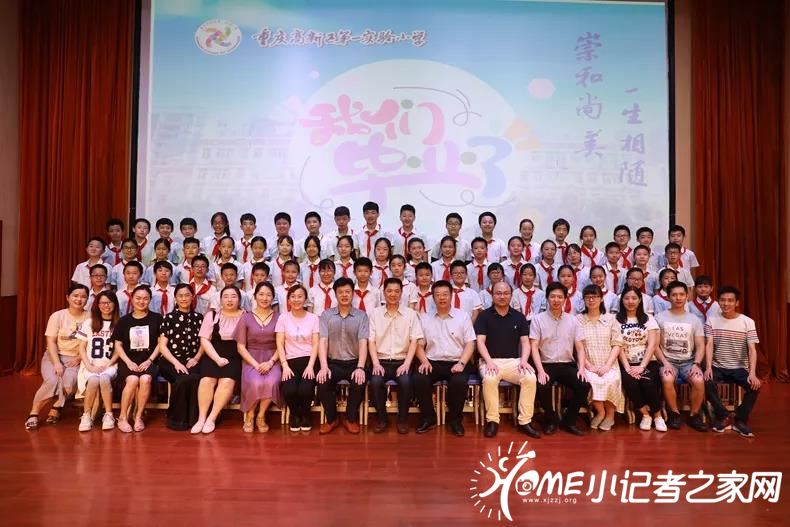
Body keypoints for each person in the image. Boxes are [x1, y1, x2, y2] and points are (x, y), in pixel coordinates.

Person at [475, 281, 541, 439]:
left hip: (513, 361)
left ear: (511, 295)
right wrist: (489, 361)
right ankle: (493, 421)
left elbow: (525, 342)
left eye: (506, 293)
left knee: (530, 378)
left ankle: (525, 421)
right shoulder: (484, 316)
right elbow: (480, 342)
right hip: (490, 361)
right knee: (490, 379)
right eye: (498, 293)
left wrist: (524, 360)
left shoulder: (519, 317)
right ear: (492, 295)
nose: (502, 296)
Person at [414, 280, 476, 436]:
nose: (442, 298)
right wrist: (424, 361)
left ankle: (455, 420)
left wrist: (462, 363)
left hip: (457, 361)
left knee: (459, 382)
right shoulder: (425, 318)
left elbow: (470, 343)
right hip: (432, 361)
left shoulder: (463, 316)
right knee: (419, 378)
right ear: (433, 297)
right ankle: (429, 418)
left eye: (445, 294)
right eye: (438, 295)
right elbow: (419, 345)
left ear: (451, 295)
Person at [24, 284, 90, 430]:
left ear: (87, 299)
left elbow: (90, 343)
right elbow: (51, 342)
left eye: (83, 296)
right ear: (68, 297)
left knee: (69, 383)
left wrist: (80, 358)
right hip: (54, 356)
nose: (79, 299)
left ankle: (57, 406)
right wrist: (56, 363)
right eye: (75, 296)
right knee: (52, 381)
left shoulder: (90, 317)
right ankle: (34, 413)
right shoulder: (57, 316)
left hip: (76, 358)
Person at [530, 282, 591, 436]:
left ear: (565, 299)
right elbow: (534, 347)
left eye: (559, 297)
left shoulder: (573, 320)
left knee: (584, 385)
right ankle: (551, 419)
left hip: (567, 364)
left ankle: (569, 420)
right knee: (542, 385)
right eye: (552, 296)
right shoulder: (537, 319)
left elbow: (580, 347)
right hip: (546, 364)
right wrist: (540, 370)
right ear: (547, 298)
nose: (556, 300)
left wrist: (581, 369)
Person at [368, 278, 424, 434]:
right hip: (380, 360)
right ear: (384, 293)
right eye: (389, 291)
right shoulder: (375, 314)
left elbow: (414, 340)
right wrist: (376, 363)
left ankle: (403, 419)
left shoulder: (411, 314)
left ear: (401, 293)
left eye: (396, 291)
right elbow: (371, 341)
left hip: (402, 360)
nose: (393, 294)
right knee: (375, 382)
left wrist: (407, 364)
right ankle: (382, 419)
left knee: (406, 382)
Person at [704, 286, 761, 437]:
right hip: (718, 366)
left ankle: (740, 419)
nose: (726, 303)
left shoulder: (747, 322)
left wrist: (752, 373)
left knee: (754, 387)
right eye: (723, 300)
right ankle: (723, 416)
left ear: (737, 303)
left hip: (739, 367)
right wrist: (708, 367)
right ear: (718, 302)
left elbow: (752, 349)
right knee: (706, 381)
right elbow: (709, 345)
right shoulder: (712, 320)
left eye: (730, 300)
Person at [316, 277, 369, 434]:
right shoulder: (326, 315)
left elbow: (363, 343)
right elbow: (323, 341)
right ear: (335, 294)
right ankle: (332, 419)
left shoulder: (361, 316)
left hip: (354, 362)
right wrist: (324, 366)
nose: (344, 295)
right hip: (333, 363)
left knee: (359, 381)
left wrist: (360, 367)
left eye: (347, 292)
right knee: (323, 381)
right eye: (340, 292)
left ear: (353, 294)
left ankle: (350, 418)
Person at [655, 281, 708, 432]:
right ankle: (674, 414)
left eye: (681, 294)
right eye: (674, 295)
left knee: (699, 380)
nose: (678, 298)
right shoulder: (659, 317)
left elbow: (700, 345)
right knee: (667, 379)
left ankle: (694, 415)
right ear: (668, 297)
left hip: (689, 362)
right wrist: (665, 363)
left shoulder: (694, 319)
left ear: (687, 296)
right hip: (667, 361)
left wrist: (697, 364)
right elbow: (655, 345)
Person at [192, 286, 244, 434]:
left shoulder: (245, 316)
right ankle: (201, 418)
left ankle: (212, 418)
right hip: (213, 353)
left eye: (233, 296)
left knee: (226, 381)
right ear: (220, 300)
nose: (229, 300)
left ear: (239, 299)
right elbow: (204, 339)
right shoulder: (212, 315)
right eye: (226, 296)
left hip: (235, 355)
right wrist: (217, 358)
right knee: (207, 380)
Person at [112, 285, 162, 433]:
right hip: (128, 361)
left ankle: (138, 416)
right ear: (132, 299)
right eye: (138, 298)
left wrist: (150, 360)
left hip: (149, 360)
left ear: (150, 300)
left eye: (145, 298)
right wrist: (128, 362)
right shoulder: (124, 320)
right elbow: (118, 345)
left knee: (146, 379)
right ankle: (122, 417)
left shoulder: (157, 318)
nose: (141, 301)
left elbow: (161, 343)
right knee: (133, 379)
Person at [616, 286, 666, 432]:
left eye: (634, 298)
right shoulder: (616, 320)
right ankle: (645, 415)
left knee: (647, 383)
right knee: (631, 383)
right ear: (622, 300)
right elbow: (617, 345)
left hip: (647, 362)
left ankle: (658, 416)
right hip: (626, 362)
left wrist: (642, 366)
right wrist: (627, 367)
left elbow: (652, 345)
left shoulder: (648, 319)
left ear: (639, 300)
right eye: (627, 298)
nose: (630, 301)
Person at [235, 282, 282, 433]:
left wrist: (271, 362)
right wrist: (256, 365)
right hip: (251, 358)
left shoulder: (279, 318)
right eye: (261, 294)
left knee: (272, 382)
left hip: (273, 358)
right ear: (255, 296)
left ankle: (261, 415)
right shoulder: (246, 317)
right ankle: (250, 414)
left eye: (268, 295)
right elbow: (241, 347)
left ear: (273, 298)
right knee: (255, 382)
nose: (264, 298)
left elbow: (282, 345)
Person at [577, 285, 624, 431]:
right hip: (587, 363)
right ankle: (600, 412)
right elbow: (577, 346)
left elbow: (617, 344)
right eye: (587, 297)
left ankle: (610, 415)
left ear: (601, 298)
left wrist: (607, 365)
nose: (591, 300)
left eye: (595, 297)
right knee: (592, 381)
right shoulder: (578, 320)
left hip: (609, 363)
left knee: (611, 380)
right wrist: (588, 365)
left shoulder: (611, 319)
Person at [157, 284, 203, 431]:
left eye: (187, 295)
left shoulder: (199, 318)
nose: (184, 299)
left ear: (192, 297)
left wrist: (196, 358)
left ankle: (193, 419)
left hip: (192, 359)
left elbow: (204, 343)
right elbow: (162, 346)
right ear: (175, 298)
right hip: (170, 360)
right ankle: (175, 419)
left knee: (195, 378)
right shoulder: (169, 318)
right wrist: (176, 363)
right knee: (182, 378)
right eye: (180, 296)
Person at [276, 284, 320, 432]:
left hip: (309, 360)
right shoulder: (283, 318)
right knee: (289, 390)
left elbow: (316, 344)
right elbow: (279, 343)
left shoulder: (313, 318)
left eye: (300, 296)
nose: (296, 300)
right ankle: (295, 414)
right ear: (288, 300)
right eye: (293, 297)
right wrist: (284, 365)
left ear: (305, 299)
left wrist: (310, 365)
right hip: (289, 361)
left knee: (305, 390)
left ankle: (306, 414)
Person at [75, 290, 119, 432]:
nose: (106, 305)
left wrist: (109, 364)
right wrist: (89, 365)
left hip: (110, 364)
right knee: (93, 380)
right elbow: (81, 347)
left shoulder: (119, 323)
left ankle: (109, 414)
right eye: (102, 303)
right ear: (98, 305)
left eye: (109, 302)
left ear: (115, 304)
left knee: (105, 378)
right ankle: (86, 415)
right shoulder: (89, 322)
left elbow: (119, 349)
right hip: (91, 364)